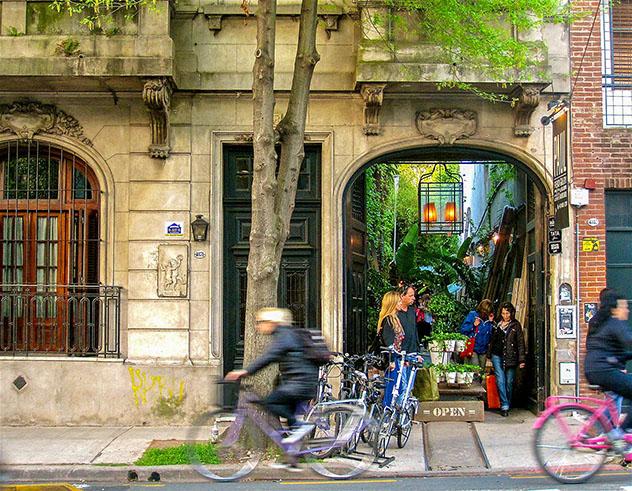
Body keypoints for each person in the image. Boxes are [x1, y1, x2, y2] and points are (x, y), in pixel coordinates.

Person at [225, 307, 318, 444]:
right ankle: (292, 460)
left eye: (261, 322)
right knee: (289, 422)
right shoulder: (285, 334)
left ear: (272, 322)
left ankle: (301, 427)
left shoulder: (284, 336)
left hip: (300, 383)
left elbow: (269, 357)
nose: (258, 326)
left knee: (271, 402)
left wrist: (245, 371)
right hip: (300, 381)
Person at [585, 288, 632, 452]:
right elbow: (628, 342)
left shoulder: (600, 321)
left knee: (612, 402)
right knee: (614, 401)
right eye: (624, 306)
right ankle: (618, 435)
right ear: (615, 307)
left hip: (596, 368)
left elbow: (616, 351)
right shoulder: (614, 322)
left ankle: (613, 434)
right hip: (604, 370)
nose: (627, 310)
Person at [488, 301, 525, 417]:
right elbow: (492, 341)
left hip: (511, 356)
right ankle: (504, 405)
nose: (505, 316)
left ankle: (507, 402)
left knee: (509, 382)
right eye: (503, 313)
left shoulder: (515, 325)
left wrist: (522, 359)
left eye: (507, 313)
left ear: (511, 313)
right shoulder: (496, 324)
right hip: (496, 355)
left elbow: (520, 343)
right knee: (500, 379)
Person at [378, 290, 407, 408]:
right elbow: (389, 342)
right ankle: (387, 413)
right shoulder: (388, 320)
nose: (401, 302)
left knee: (398, 387)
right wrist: (391, 360)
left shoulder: (394, 319)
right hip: (393, 361)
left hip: (398, 358)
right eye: (399, 300)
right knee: (393, 388)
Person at [460, 299, 495, 374]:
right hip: (473, 349)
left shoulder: (489, 320)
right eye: (485, 312)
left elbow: (492, 335)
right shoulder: (473, 315)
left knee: (481, 373)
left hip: (483, 350)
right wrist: (473, 325)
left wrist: (491, 323)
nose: (485, 314)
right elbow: (463, 330)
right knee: (476, 372)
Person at [397, 284, 421, 353]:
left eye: (413, 295)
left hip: (413, 352)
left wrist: (417, 350)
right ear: (402, 296)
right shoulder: (395, 314)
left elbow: (414, 331)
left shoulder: (412, 311)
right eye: (410, 296)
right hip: (400, 353)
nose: (414, 298)